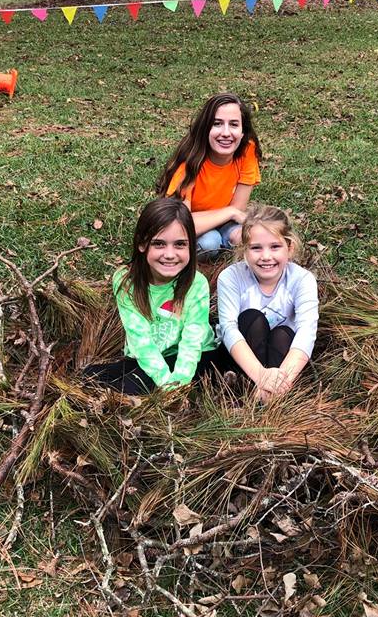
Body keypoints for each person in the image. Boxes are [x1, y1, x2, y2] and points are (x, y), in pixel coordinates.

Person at [86, 197, 218, 394]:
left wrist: (176, 385)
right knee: (89, 375)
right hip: (149, 354)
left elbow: (191, 344)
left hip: (194, 357)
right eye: (159, 244)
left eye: (180, 244)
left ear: (190, 245)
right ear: (142, 244)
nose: (170, 254)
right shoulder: (125, 280)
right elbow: (140, 340)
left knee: (130, 386)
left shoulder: (196, 283)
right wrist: (164, 380)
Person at [216, 204, 318, 401]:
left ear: (290, 248)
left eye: (275, 247)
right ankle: (245, 387)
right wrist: (261, 375)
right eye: (256, 248)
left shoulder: (302, 280)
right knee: (253, 318)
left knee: (283, 333)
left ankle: (266, 397)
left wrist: (279, 381)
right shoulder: (231, 277)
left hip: (283, 364)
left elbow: (307, 331)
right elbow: (229, 329)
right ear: (244, 250)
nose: (266, 256)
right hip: (240, 359)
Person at [156, 93, 262, 258]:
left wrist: (233, 215)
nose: (226, 133)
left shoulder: (247, 150)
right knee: (209, 243)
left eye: (234, 124)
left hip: (225, 223)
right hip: (189, 227)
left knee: (250, 237)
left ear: (243, 132)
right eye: (217, 123)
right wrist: (231, 213)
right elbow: (181, 224)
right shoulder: (189, 163)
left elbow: (239, 207)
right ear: (205, 129)